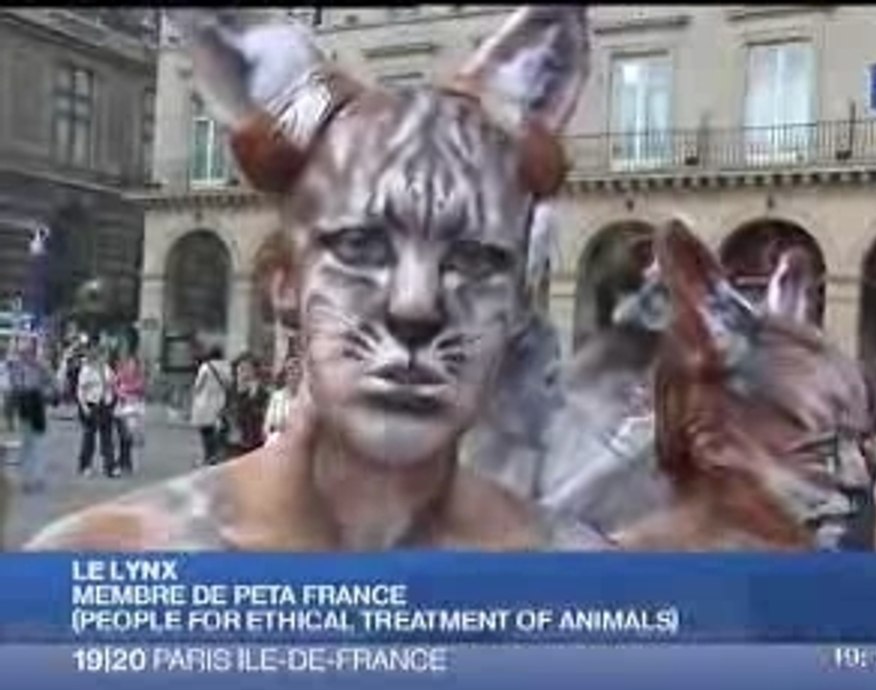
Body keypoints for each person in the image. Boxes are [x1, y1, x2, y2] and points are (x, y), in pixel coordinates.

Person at [24, 7, 607, 552]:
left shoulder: (582, 584)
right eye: (361, 246)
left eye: (475, 261)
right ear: (284, 284)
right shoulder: (103, 566)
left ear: (516, 304)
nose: (415, 305)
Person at [8, 335, 56, 493]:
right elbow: (13, 387)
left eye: (28, 351)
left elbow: (52, 383)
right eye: (23, 352)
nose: (25, 355)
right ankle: (27, 479)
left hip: (37, 404)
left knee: (38, 444)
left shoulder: (41, 366)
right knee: (27, 444)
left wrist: (47, 393)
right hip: (24, 405)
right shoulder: (16, 367)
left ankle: (36, 477)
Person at [76, 345, 118, 477]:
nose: (104, 358)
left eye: (105, 356)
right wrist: (84, 407)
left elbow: (113, 383)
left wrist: (112, 398)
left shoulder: (106, 369)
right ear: (96, 356)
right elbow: (80, 390)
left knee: (107, 437)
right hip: (91, 404)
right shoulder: (87, 370)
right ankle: (85, 466)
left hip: (105, 404)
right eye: (102, 356)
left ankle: (109, 467)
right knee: (89, 437)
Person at [189, 347, 231, 465]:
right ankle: (214, 455)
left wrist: (194, 395)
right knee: (216, 429)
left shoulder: (206, 367)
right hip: (220, 401)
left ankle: (208, 455)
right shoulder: (226, 367)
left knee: (205, 430)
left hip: (205, 402)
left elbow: (198, 385)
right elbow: (229, 384)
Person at [223, 353, 269, 458]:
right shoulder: (231, 390)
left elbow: (260, 416)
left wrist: (252, 396)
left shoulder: (261, 393)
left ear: (254, 372)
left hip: (252, 442)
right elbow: (226, 410)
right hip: (232, 441)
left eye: (248, 369)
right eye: (241, 368)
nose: (243, 372)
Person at [114, 351, 147, 475]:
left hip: (134, 409)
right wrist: (121, 393)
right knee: (123, 436)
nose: (131, 366)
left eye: (133, 364)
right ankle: (123, 461)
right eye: (129, 363)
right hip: (122, 408)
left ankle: (125, 462)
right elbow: (115, 385)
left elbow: (141, 388)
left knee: (128, 437)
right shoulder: (122, 374)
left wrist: (127, 390)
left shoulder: (140, 376)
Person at [263, 354, 301, 444]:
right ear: (285, 375)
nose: (294, 376)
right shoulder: (277, 397)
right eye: (290, 371)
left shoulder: (309, 398)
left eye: (298, 372)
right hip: (278, 444)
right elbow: (267, 426)